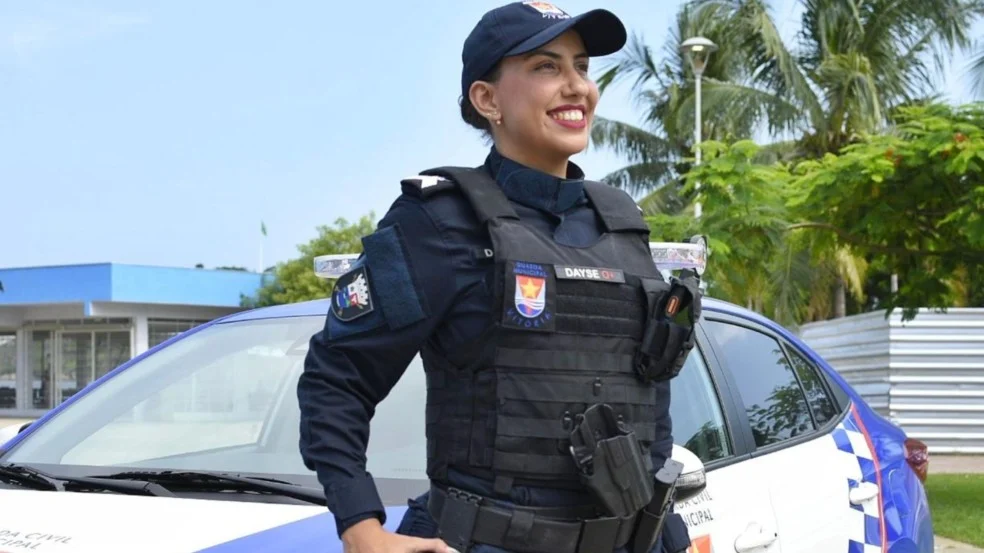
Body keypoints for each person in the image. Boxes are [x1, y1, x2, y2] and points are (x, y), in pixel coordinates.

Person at [297, 3, 701, 553]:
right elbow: (337, 377)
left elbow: (650, 401)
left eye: (582, 66)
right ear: (487, 99)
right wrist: (361, 527)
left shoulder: (623, 224)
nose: (577, 86)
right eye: (546, 67)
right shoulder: (438, 223)